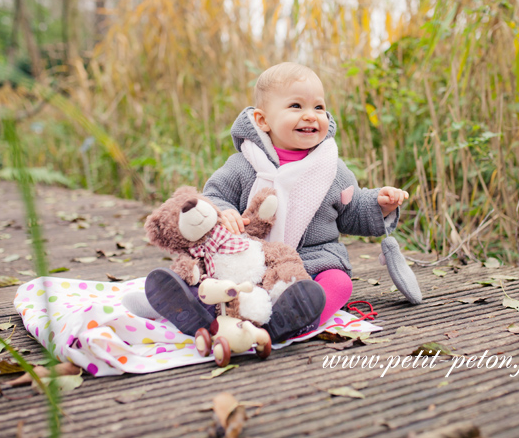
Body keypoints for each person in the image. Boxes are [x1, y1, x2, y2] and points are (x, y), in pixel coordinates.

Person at [130, 62, 417, 343]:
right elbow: (213, 196)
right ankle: (196, 311)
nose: (310, 116)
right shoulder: (244, 164)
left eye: (319, 107)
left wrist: (380, 204)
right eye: (296, 106)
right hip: (248, 258)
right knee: (211, 277)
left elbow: (352, 211)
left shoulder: (332, 169)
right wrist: (225, 212)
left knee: (339, 283)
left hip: (312, 260)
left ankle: (295, 318)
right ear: (262, 120)